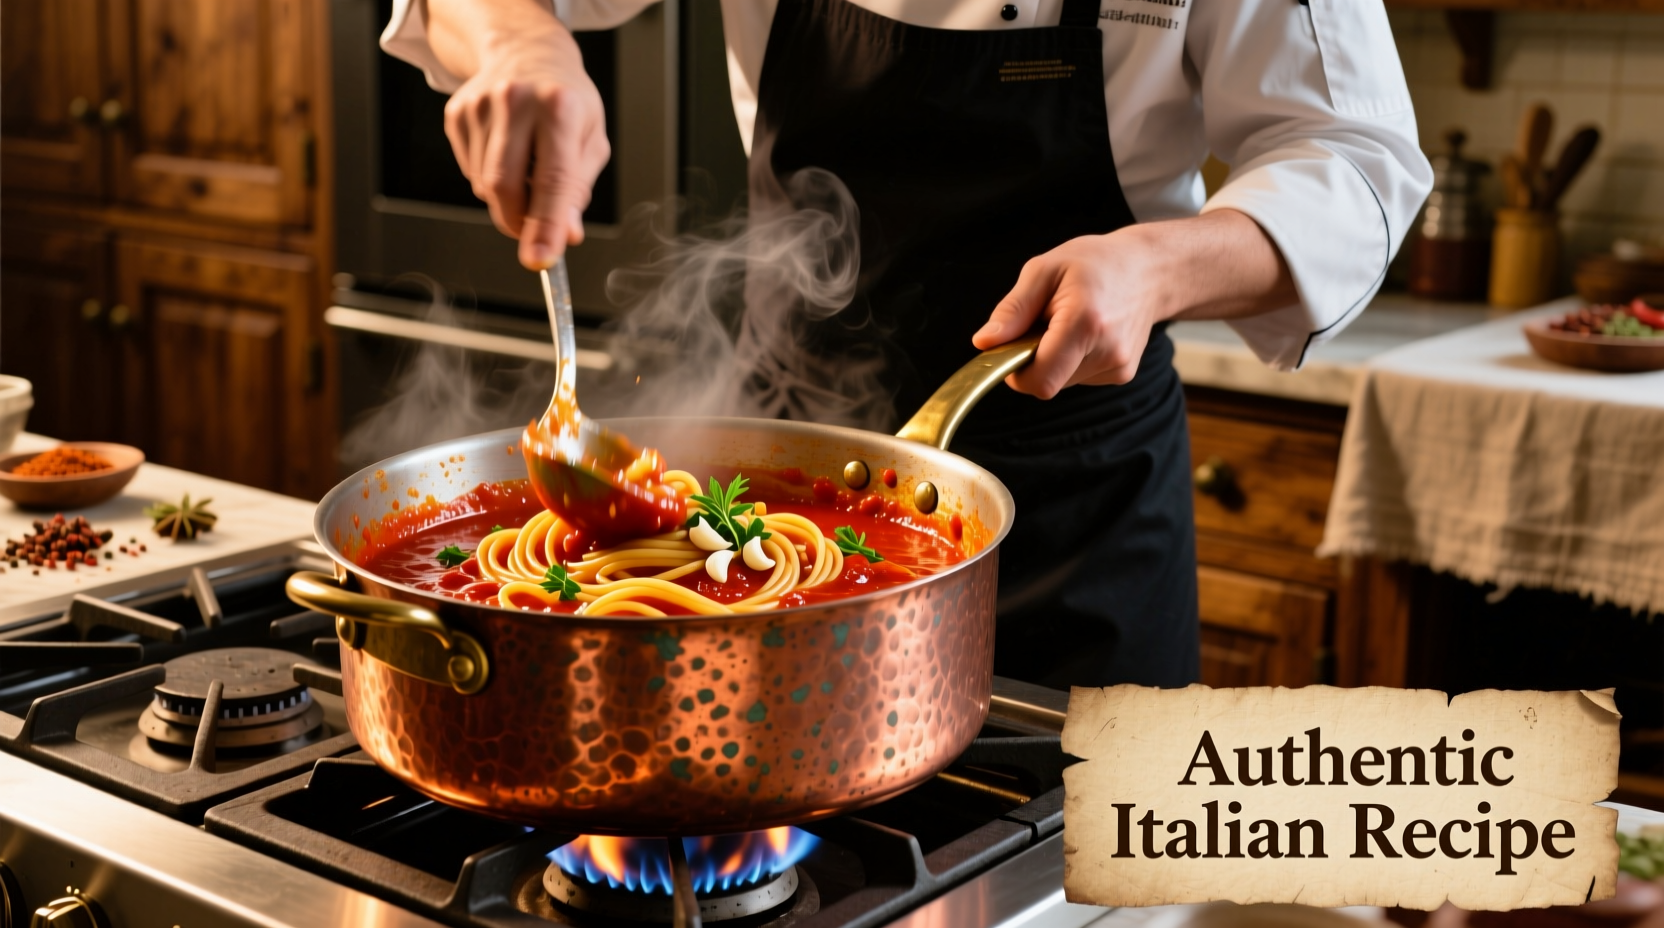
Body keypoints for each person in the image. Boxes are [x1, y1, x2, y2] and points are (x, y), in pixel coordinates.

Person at [382, 0, 1431, 688]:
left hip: (1078, 516)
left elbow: (1354, 155)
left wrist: (1157, 266)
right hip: (760, 502)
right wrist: (521, 41)